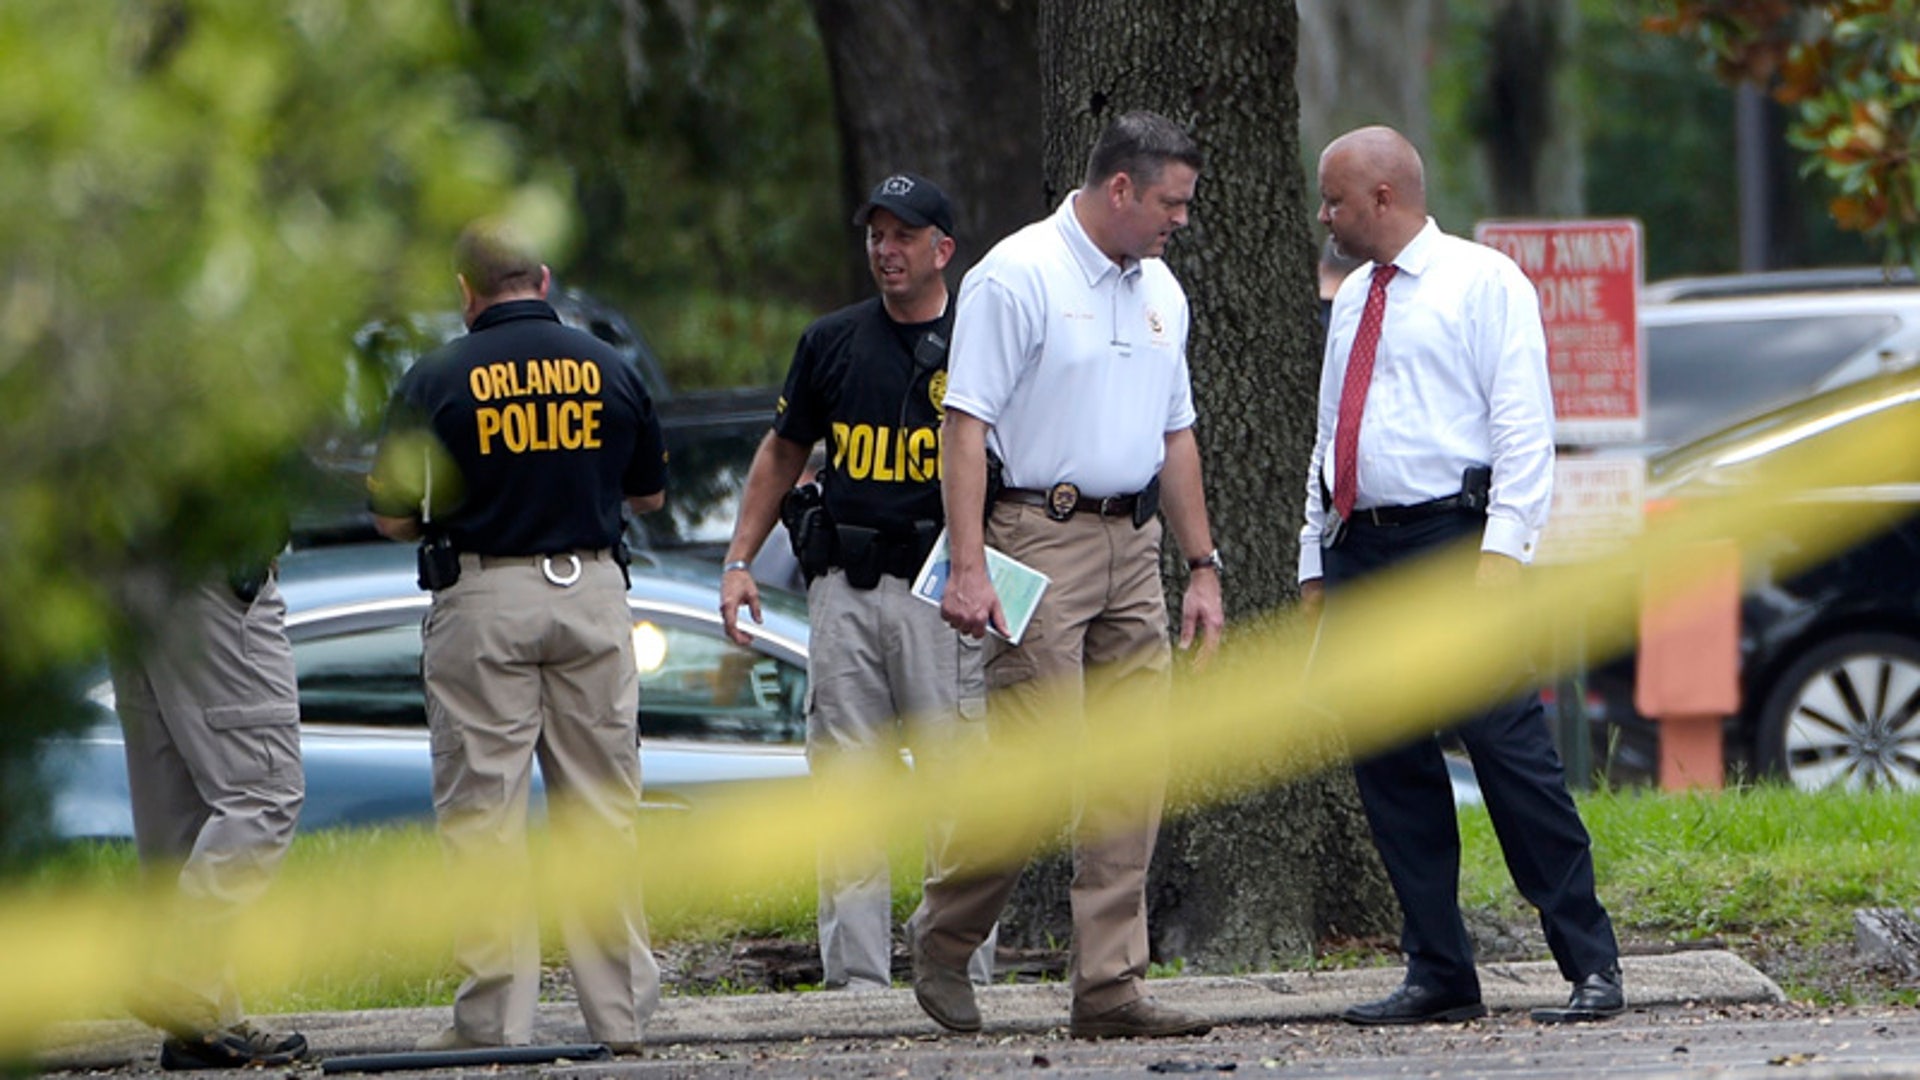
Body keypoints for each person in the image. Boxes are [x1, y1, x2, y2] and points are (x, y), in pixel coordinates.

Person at [1298, 125, 1625, 1026]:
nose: (1323, 214)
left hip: (1453, 542)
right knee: (1391, 764)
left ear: (1382, 199)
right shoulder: (1355, 294)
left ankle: (1589, 960)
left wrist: (1502, 560)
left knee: (1509, 753)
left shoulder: (1485, 284)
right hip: (1359, 544)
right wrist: (1312, 561)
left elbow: (1524, 430)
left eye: (1333, 199)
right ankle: (1440, 970)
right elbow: (1331, 436)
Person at [911, 110, 1225, 1040]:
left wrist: (1201, 567)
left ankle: (1109, 988)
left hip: (1134, 549)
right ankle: (946, 933)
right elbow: (962, 427)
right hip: (1033, 537)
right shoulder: (1017, 275)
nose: (1180, 220)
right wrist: (968, 568)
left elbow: (1177, 437)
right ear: (1120, 188)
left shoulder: (1163, 289)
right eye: (1171, 202)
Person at [367, 220, 668, 1053]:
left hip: (485, 595)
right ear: (543, 278)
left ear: (465, 291)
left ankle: (494, 1022)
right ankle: (622, 1018)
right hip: (593, 594)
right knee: (603, 811)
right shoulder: (610, 367)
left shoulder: (433, 377)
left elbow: (391, 512)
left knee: (484, 814)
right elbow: (647, 498)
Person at [719, 172, 996, 993]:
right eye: (876, 234)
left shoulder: (982, 344)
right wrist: (739, 560)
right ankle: (859, 986)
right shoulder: (831, 341)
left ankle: (958, 976)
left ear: (942, 249)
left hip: (943, 594)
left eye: (904, 236)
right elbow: (783, 450)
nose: (886, 250)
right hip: (845, 589)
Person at [112, 558, 309, 1071]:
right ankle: (176, 974)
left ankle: (204, 1021)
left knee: (178, 806)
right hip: (210, 568)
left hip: (127, 567)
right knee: (264, 794)